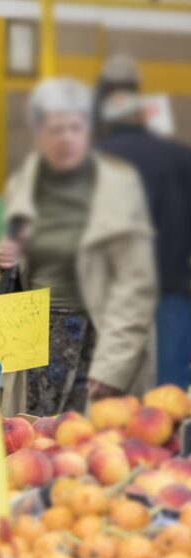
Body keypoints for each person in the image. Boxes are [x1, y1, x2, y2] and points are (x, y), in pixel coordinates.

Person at [0, 78, 157, 417]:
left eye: (74, 128)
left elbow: (136, 286)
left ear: (89, 132)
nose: (66, 137)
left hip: (97, 339)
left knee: (92, 446)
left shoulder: (118, 187)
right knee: (33, 444)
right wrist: (2, 254)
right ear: (39, 134)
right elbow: (15, 241)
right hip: (35, 339)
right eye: (55, 129)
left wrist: (112, 368)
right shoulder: (28, 181)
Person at [96, 56, 191, 389]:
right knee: (172, 392)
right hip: (173, 290)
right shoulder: (181, 157)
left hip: (115, 297)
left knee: (120, 397)